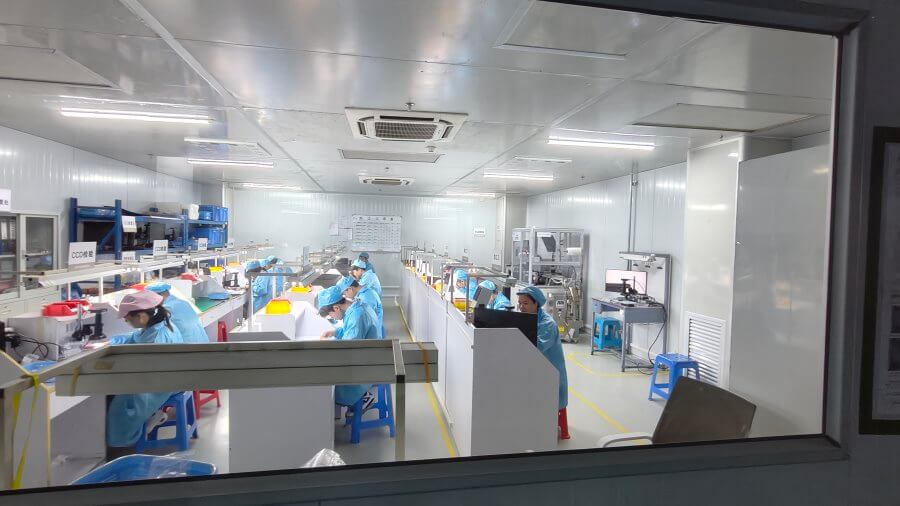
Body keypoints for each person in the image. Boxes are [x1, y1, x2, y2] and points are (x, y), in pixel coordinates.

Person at [106, 291, 184, 450]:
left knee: (122, 405)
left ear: (141, 316)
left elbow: (147, 371)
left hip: (161, 384)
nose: (127, 322)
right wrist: (112, 342)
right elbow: (135, 338)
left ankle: (123, 444)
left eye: (128, 320)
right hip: (162, 376)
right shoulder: (158, 325)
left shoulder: (156, 338)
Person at [317, 286, 380, 407]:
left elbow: (348, 347)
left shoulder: (357, 315)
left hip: (364, 367)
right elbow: (351, 331)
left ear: (336, 308)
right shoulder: (356, 306)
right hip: (368, 356)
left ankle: (364, 398)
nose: (332, 318)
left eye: (330, 315)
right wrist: (335, 332)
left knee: (329, 387)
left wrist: (326, 345)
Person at [516, 285, 568, 414]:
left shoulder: (547, 324)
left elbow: (536, 348)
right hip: (537, 370)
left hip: (550, 375)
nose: (521, 307)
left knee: (544, 408)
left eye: (525, 303)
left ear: (536, 304)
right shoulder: (528, 317)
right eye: (520, 303)